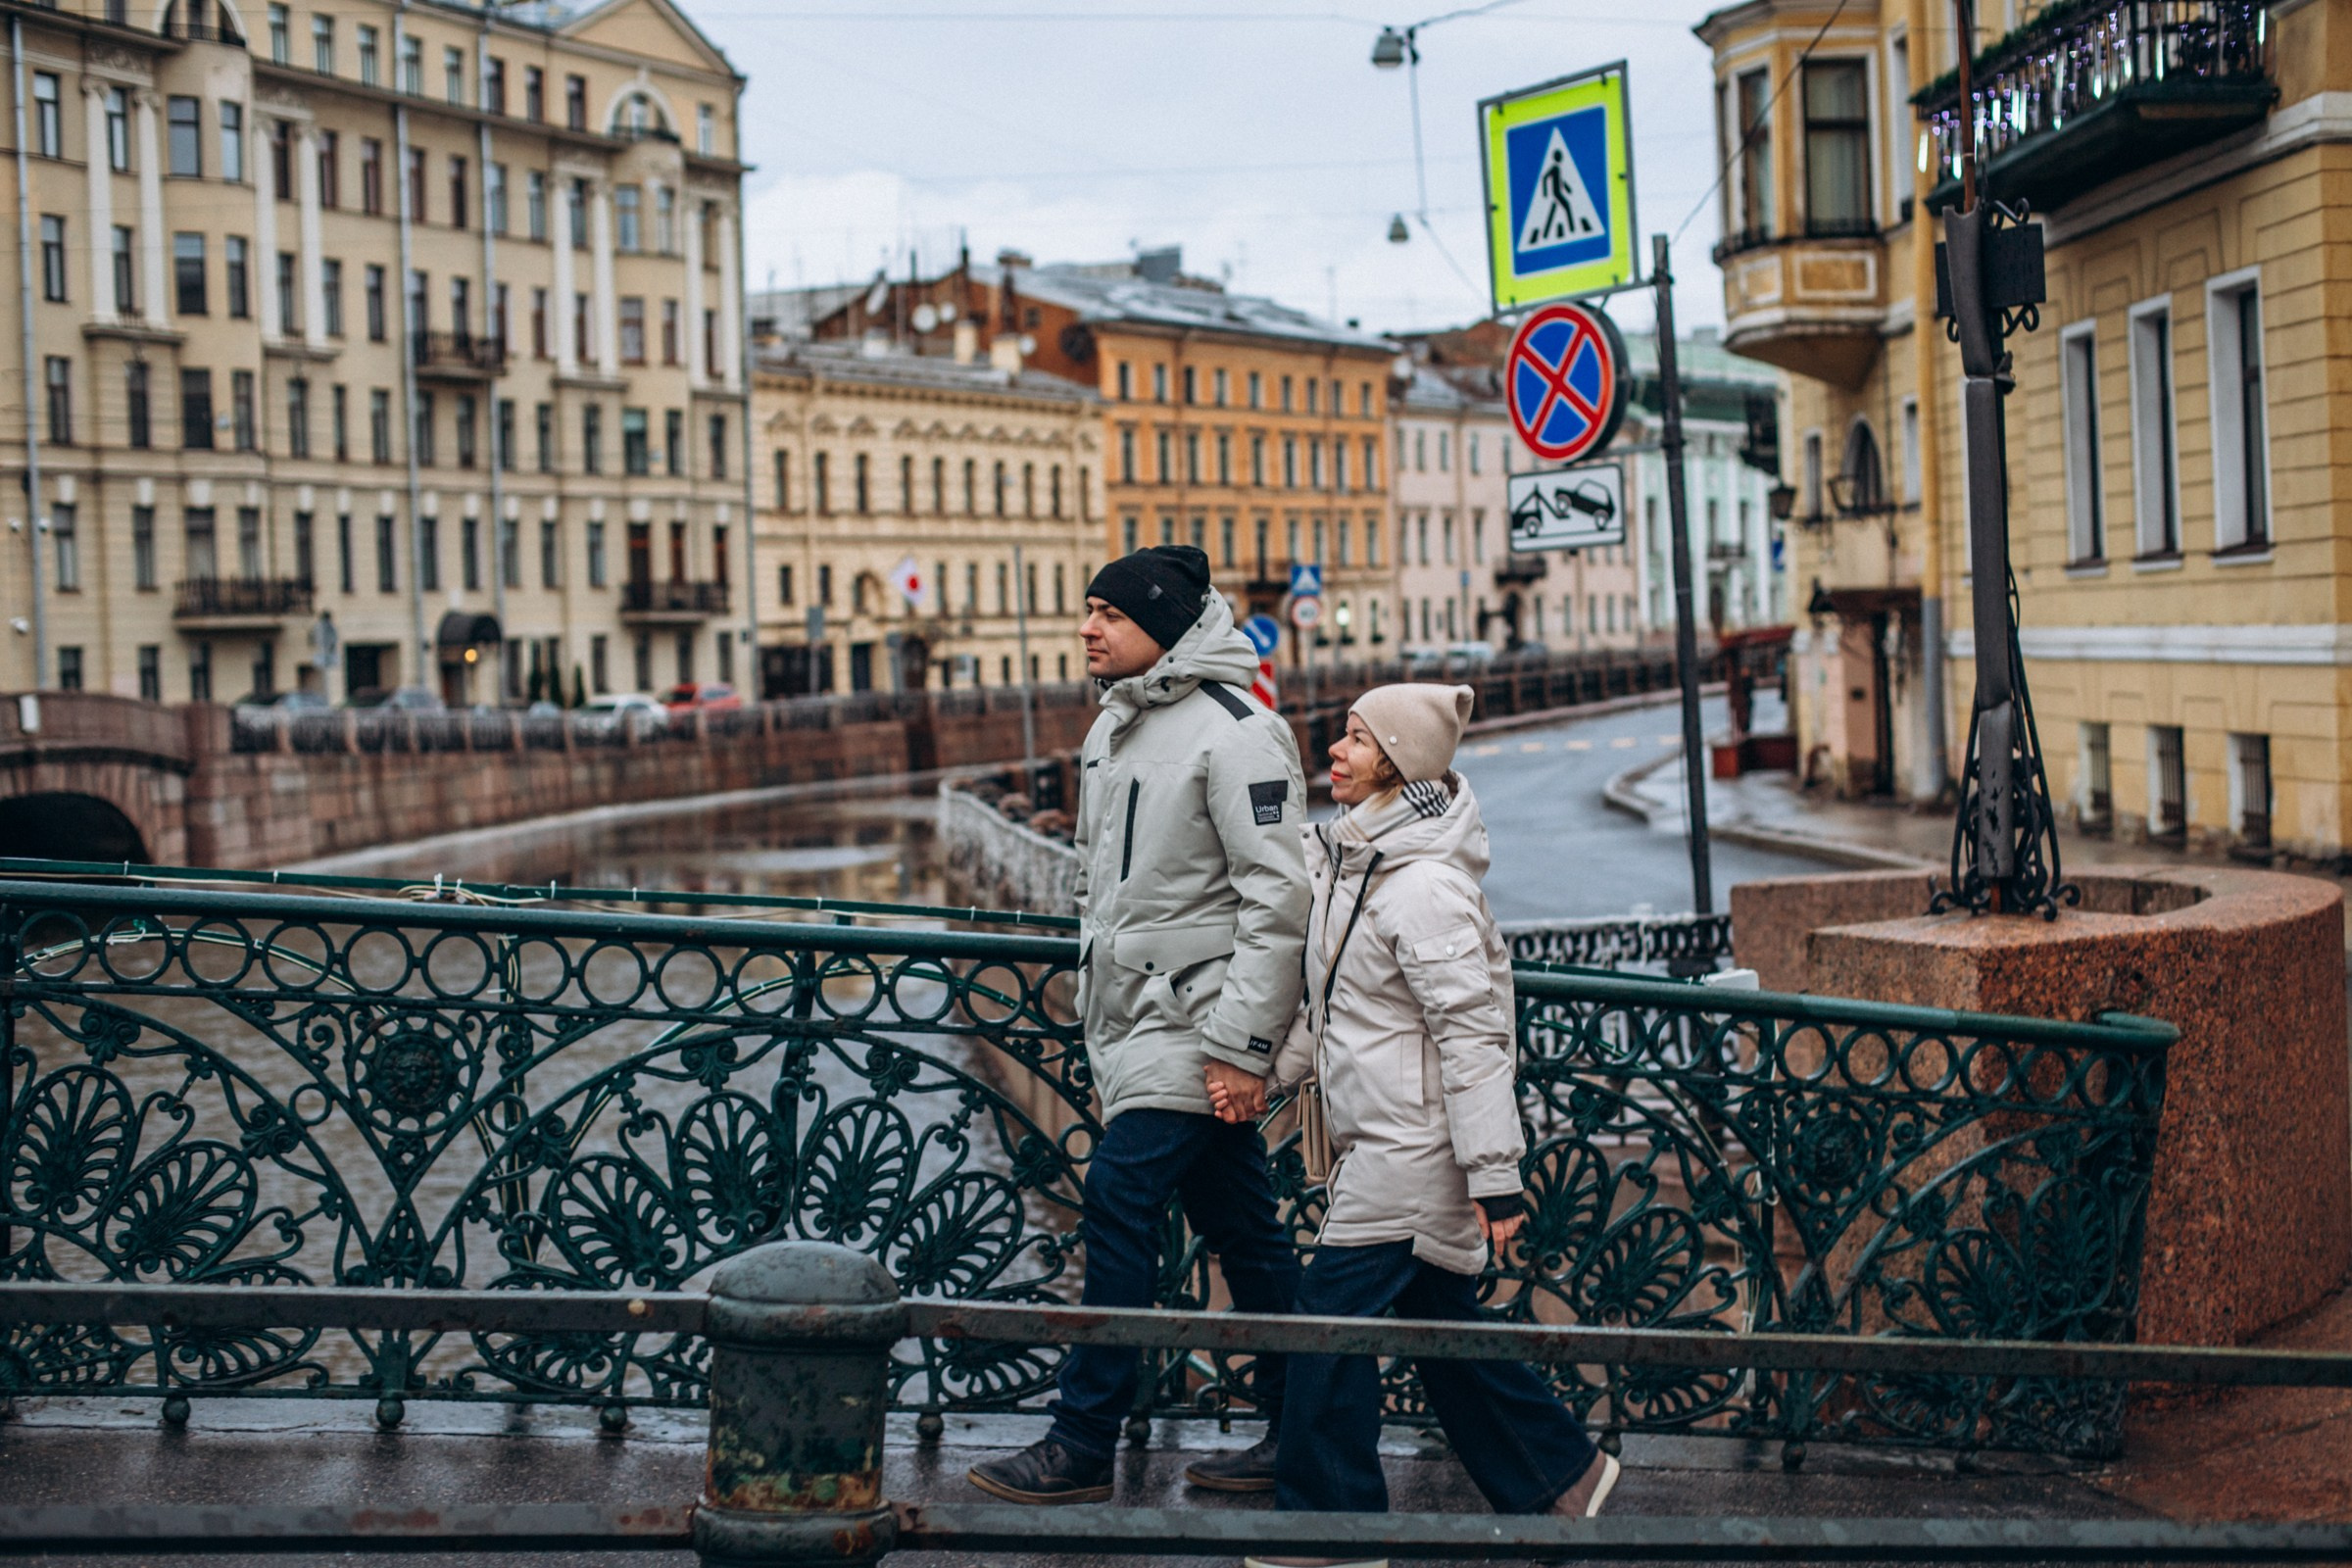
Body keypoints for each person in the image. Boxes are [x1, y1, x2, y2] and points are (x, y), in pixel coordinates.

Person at [1211, 684, 1618, 1565]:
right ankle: (1561, 1478)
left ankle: (1333, 1530)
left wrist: (1495, 1174)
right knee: (1443, 1328)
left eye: (1357, 739)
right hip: (1383, 1138)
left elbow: (1473, 1040)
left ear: (1398, 761)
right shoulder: (1360, 865)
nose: (1336, 750)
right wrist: (1260, 1084)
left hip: (1415, 1150)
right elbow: (1332, 1017)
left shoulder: (1424, 886)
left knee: (1326, 1326)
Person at [968, 545, 1311, 1506]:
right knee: (1246, 1233)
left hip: (1194, 1024)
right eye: (1087, 610)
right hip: (1130, 1020)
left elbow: (1279, 899)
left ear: (1161, 626)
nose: (1088, 627)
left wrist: (1243, 1049)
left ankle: (1082, 1440)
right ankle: (1302, 1421)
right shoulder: (1114, 730)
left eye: (1108, 614)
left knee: (1117, 1199)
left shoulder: (1240, 734)